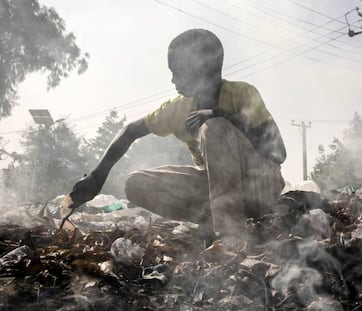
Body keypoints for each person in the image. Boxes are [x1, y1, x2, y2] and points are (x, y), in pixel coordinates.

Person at [69, 29, 286, 248]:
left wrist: (223, 116)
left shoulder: (242, 94)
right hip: (217, 193)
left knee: (214, 128)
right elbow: (130, 131)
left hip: (260, 187)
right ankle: (214, 222)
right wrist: (98, 176)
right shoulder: (179, 108)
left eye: (177, 71)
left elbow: (279, 153)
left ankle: (231, 238)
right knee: (135, 184)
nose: (173, 79)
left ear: (202, 67)